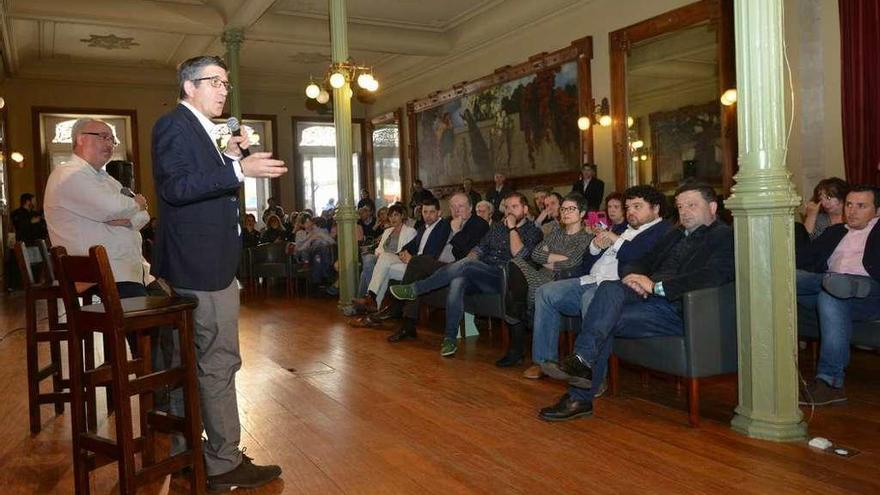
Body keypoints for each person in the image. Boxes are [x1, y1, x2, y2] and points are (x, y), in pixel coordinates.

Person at [151, 55, 286, 490]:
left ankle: (187, 451)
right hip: (202, 268)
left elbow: (198, 183)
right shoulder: (174, 125)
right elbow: (175, 188)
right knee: (219, 363)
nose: (224, 90)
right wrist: (237, 168)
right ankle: (223, 462)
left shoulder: (205, 131)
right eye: (214, 82)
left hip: (204, 263)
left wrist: (228, 155)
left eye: (226, 83)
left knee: (193, 362)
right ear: (189, 87)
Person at [539, 181, 734, 421]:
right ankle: (581, 373)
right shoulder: (676, 234)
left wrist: (657, 286)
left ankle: (579, 392)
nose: (684, 211)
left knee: (603, 317)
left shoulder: (723, 236)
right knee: (609, 292)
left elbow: (714, 275)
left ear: (712, 207)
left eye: (692, 205)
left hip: (680, 308)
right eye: (681, 206)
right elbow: (643, 260)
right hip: (649, 300)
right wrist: (633, 276)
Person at [525, 185, 670, 380]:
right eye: (628, 208)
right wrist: (595, 246)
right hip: (590, 279)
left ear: (656, 208)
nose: (631, 212)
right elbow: (587, 263)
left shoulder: (662, 231)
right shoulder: (623, 228)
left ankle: (593, 377)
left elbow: (637, 255)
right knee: (545, 292)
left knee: (590, 299)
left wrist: (613, 239)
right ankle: (543, 362)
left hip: (616, 288)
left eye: (637, 206)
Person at [44, 117, 152, 352]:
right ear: (81, 139)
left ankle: (157, 381)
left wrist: (128, 210)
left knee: (170, 310)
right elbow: (114, 208)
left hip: (126, 270)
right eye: (102, 137)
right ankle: (148, 382)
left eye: (112, 139)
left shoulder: (105, 178)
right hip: (103, 275)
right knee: (151, 330)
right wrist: (133, 204)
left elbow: (141, 218)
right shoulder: (69, 175)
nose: (110, 143)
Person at [390, 192, 542, 357]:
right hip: (482, 271)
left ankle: (415, 289)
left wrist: (512, 228)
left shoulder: (533, 231)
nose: (509, 211)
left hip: (505, 277)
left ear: (525, 209)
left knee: (466, 264)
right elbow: (479, 249)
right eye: (507, 207)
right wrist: (467, 264)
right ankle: (449, 339)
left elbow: (520, 256)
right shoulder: (497, 227)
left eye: (515, 207)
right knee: (459, 279)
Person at [796, 185, 880, 406]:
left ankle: (830, 382)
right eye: (849, 205)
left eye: (861, 206)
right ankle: (830, 384)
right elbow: (806, 260)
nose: (852, 211)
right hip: (826, 284)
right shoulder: (835, 232)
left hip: (869, 293)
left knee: (832, 291)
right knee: (793, 279)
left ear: (877, 210)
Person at [497, 193, 593, 367]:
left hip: (560, 281)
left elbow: (572, 263)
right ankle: (522, 313)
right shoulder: (556, 232)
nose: (565, 212)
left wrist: (548, 259)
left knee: (517, 294)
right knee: (514, 263)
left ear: (582, 213)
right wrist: (557, 258)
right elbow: (535, 253)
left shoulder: (586, 238)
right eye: (563, 209)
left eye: (571, 209)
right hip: (541, 275)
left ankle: (518, 338)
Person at [384, 192, 490, 342]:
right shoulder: (447, 222)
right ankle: (407, 324)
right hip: (438, 265)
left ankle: (400, 314)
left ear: (471, 208)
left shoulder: (479, 224)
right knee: (417, 266)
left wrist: (456, 231)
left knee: (417, 262)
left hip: (459, 268)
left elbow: (467, 255)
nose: (456, 210)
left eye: (461, 206)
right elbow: (433, 246)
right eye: (453, 207)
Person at [351, 198, 450, 325]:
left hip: (424, 268)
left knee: (383, 265)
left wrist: (413, 259)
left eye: (432, 212)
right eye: (425, 212)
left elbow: (432, 255)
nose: (428, 216)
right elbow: (410, 246)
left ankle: (373, 304)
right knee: (385, 261)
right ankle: (373, 302)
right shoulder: (422, 229)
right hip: (410, 263)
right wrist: (404, 252)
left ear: (439, 213)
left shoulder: (442, 227)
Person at [351, 203, 417, 313]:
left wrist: (384, 255)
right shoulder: (387, 231)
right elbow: (379, 249)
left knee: (368, 269)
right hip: (383, 259)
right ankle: (373, 304)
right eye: (391, 216)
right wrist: (380, 255)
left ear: (402, 216)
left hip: (399, 259)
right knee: (368, 261)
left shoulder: (410, 231)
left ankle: (367, 299)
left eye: (396, 215)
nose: (393, 218)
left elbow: (407, 251)